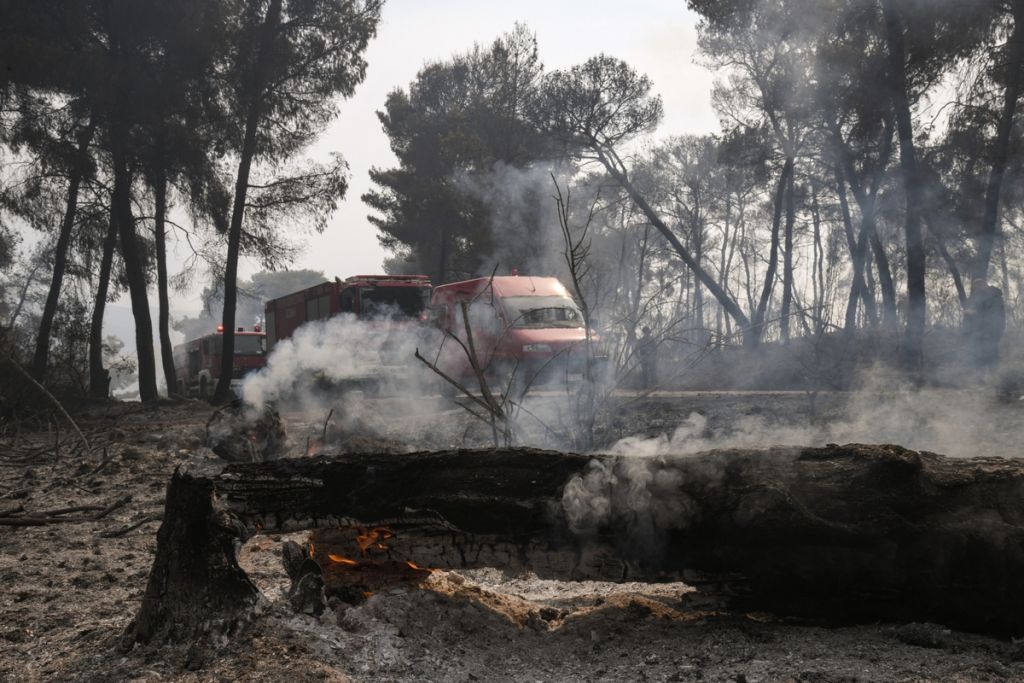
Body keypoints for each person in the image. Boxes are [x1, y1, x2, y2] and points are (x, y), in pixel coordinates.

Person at [962, 278, 1005, 374]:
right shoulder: (983, 296)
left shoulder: (994, 296)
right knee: (980, 353)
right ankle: (982, 377)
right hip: (982, 331)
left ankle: (994, 377)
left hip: (993, 330)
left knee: (991, 353)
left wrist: (973, 313)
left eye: (977, 287)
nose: (976, 290)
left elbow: (992, 314)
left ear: (983, 285)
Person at [637, 325, 658, 390]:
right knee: (645, 373)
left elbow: (655, 349)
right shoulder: (641, 340)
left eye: (648, 332)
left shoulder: (652, 340)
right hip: (644, 359)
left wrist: (653, 356)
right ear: (644, 332)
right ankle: (645, 386)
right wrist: (641, 357)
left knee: (652, 372)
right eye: (646, 332)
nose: (647, 333)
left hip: (651, 358)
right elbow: (639, 349)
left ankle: (653, 386)